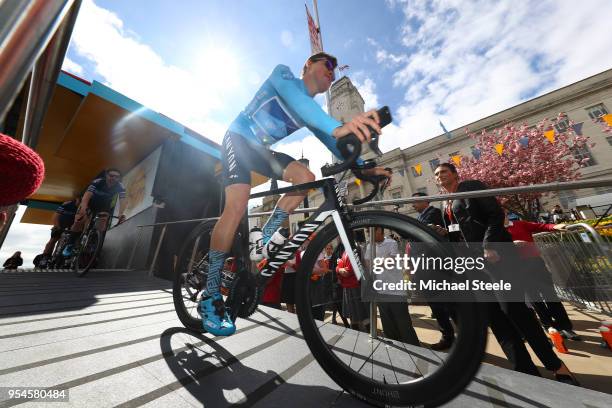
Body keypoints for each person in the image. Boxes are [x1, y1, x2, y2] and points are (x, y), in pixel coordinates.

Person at [200, 52, 391, 336]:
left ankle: (263, 238)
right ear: (308, 66)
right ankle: (210, 293)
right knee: (237, 204)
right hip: (238, 138)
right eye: (328, 65)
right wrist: (340, 128)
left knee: (306, 178)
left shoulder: (310, 112)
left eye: (335, 70)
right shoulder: (283, 75)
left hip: (261, 150)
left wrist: (364, 168)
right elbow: (306, 107)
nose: (332, 72)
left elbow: (334, 141)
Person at [434, 162, 578, 385]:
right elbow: (458, 232)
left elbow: (495, 215)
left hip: (496, 258)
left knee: (515, 311)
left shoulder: (471, 186)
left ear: (455, 174)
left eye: (443, 171)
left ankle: (556, 366)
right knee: (494, 317)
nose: (439, 176)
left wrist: (489, 245)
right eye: (436, 174)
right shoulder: (446, 204)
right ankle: (524, 369)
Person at [504, 213, 581, 341]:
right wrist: (512, 244)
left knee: (550, 295)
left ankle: (565, 327)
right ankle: (548, 326)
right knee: (535, 299)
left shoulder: (520, 224)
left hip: (535, 263)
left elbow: (541, 226)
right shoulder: (495, 231)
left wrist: (555, 226)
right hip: (517, 268)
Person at [411, 192, 454, 350]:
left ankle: (450, 336)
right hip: (425, 266)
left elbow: (421, 235)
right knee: (437, 305)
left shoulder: (433, 213)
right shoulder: (421, 217)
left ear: (425, 201)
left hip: (434, 266)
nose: (412, 205)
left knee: (444, 305)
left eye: (415, 201)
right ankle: (448, 335)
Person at [365, 227, 420, 346]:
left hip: (396, 291)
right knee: (388, 325)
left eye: (372, 231)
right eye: (368, 231)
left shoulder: (391, 243)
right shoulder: (369, 246)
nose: (369, 233)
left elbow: (390, 262)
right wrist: (381, 261)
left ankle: (415, 349)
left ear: (380, 230)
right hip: (380, 291)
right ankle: (395, 350)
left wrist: (377, 262)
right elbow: (368, 265)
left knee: (404, 324)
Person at [62, 169, 127, 257]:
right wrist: (83, 209)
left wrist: (121, 213)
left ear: (119, 179)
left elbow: (123, 200)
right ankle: (70, 243)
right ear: (106, 176)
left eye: (116, 177)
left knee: (102, 223)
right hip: (90, 202)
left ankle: (92, 243)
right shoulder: (98, 182)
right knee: (79, 220)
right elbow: (87, 196)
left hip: (103, 205)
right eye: (111, 175)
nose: (113, 178)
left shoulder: (120, 186)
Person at [40, 196, 81, 265]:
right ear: (77, 199)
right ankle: (45, 258)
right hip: (59, 225)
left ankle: (64, 258)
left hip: (70, 227)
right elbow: (56, 216)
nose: (80, 203)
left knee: (70, 241)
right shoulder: (67, 204)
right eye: (79, 201)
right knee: (52, 241)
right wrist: (57, 226)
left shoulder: (80, 208)